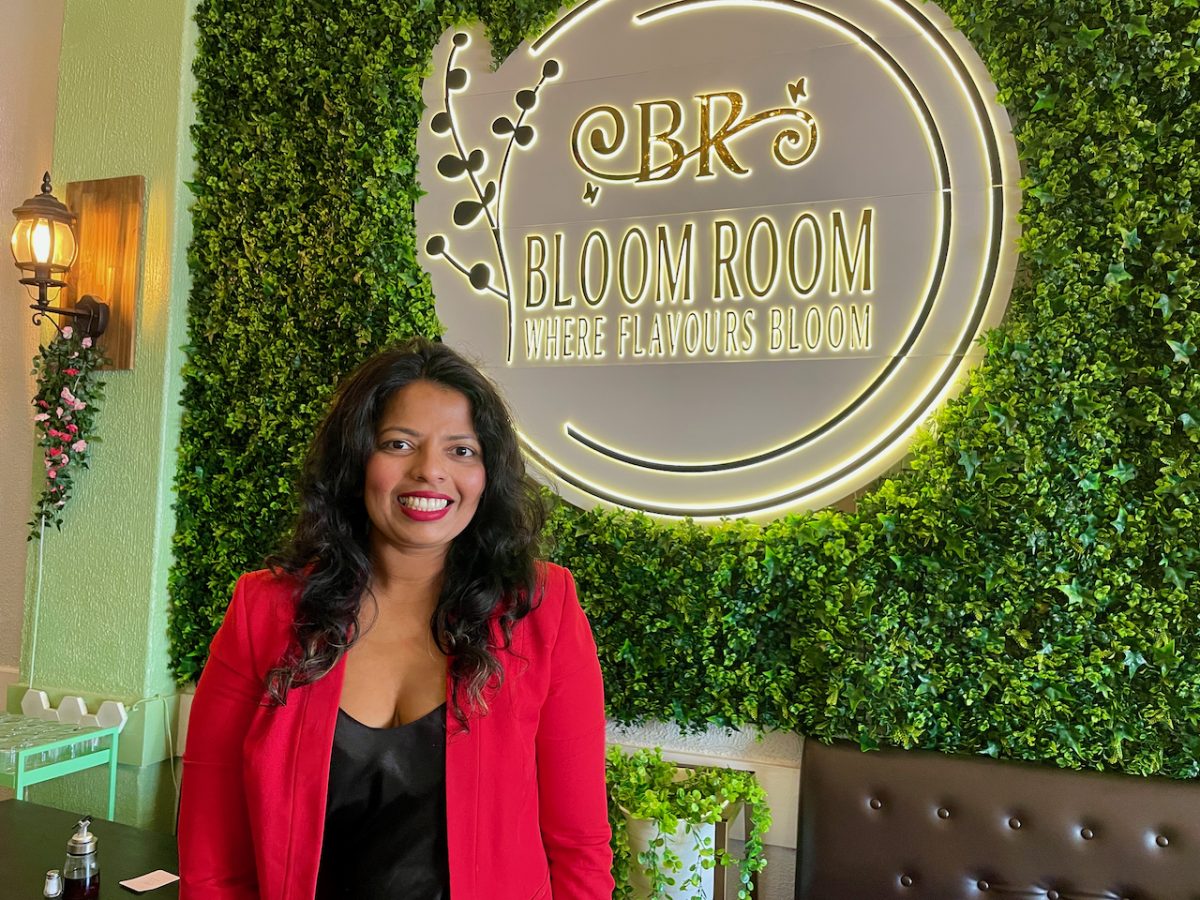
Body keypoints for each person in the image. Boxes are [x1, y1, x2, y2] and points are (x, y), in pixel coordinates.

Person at [178, 339, 614, 899]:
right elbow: (212, 842)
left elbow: (578, 844)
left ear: (487, 473)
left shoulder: (541, 610)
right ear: (357, 459)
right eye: (399, 443)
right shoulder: (264, 612)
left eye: (461, 450)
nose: (430, 471)